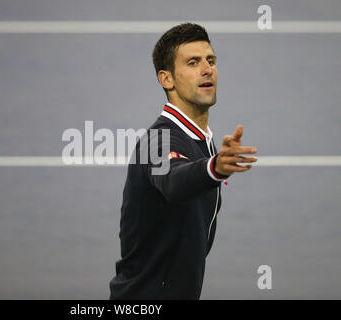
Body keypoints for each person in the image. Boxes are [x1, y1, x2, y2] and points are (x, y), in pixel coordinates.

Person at [109, 23, 258, 299]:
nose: (207, 69)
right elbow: (174, 181)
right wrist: (213, 168)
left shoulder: (201, 139)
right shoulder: (158, 142)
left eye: (210, 61)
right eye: (193, 62)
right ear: (167, 79)